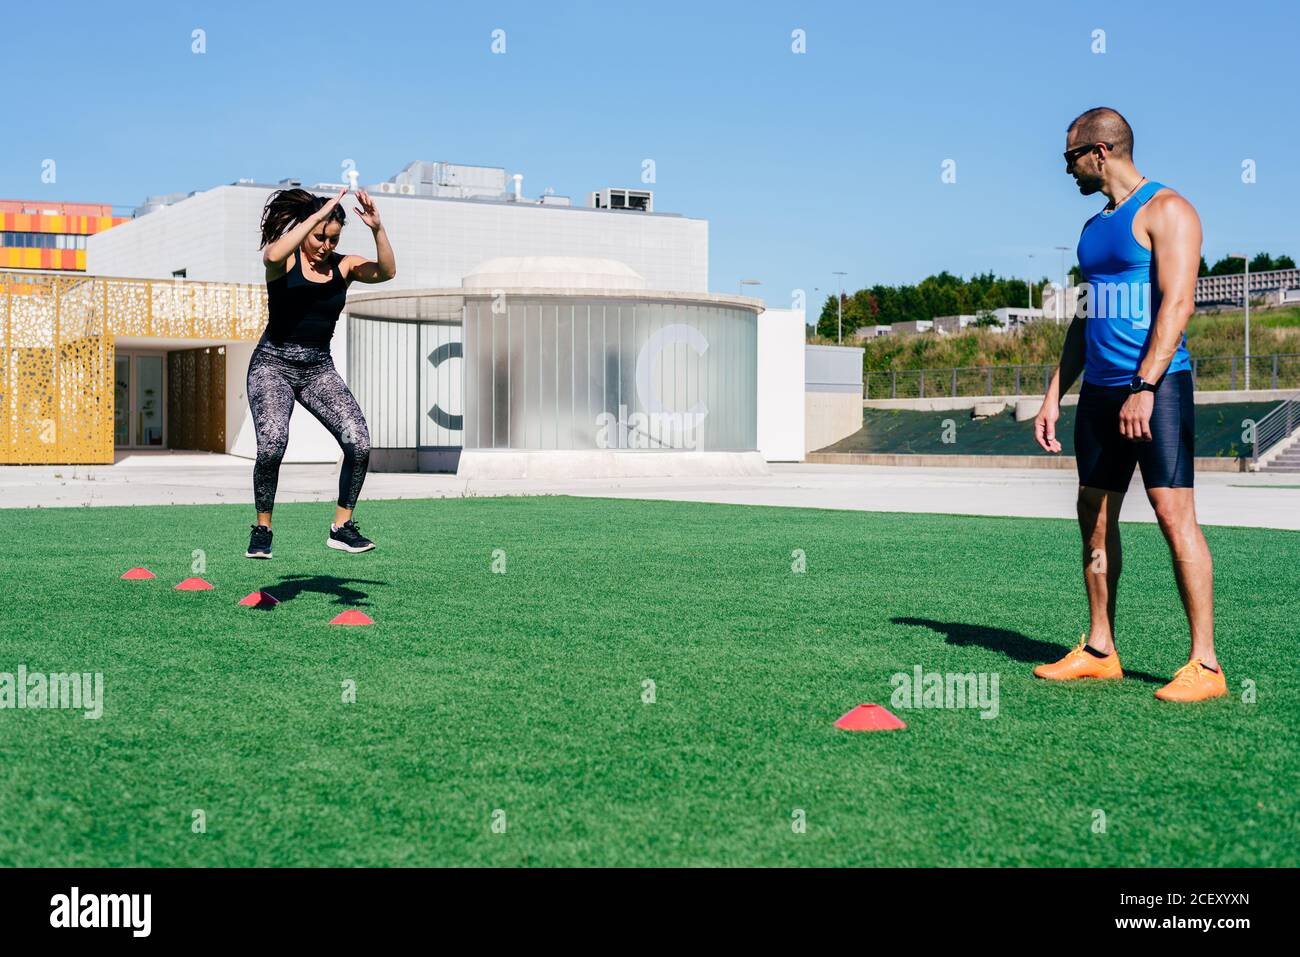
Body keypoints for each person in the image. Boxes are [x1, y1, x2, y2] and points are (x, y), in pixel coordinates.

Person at [1032, 107, 1225, 702]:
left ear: (1100, 151)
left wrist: (1144, 386)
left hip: (1157, 387)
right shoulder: (1093, 229)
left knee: (1173, 514)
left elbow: (1178, 305)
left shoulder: (1168, 210)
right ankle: (1099, 648)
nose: (1066, 170)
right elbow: (1083, 317)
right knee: (1093, 513)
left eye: (1070, 158)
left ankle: (1206, 665)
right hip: (1100, 394)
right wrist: (1051, 396)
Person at [245, 186, 396, 559]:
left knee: (359, 442)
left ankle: (341, 527)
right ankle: (263, 528)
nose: (325, 245)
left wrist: (378, 229)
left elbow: (387, 272)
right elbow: (271, 253)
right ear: (307, 228)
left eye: (333, 239)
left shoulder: (344, 267)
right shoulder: (287, 262)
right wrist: (314, 216)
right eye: (319, 237)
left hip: (317, 368)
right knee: (273, 444)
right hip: (272, 365)